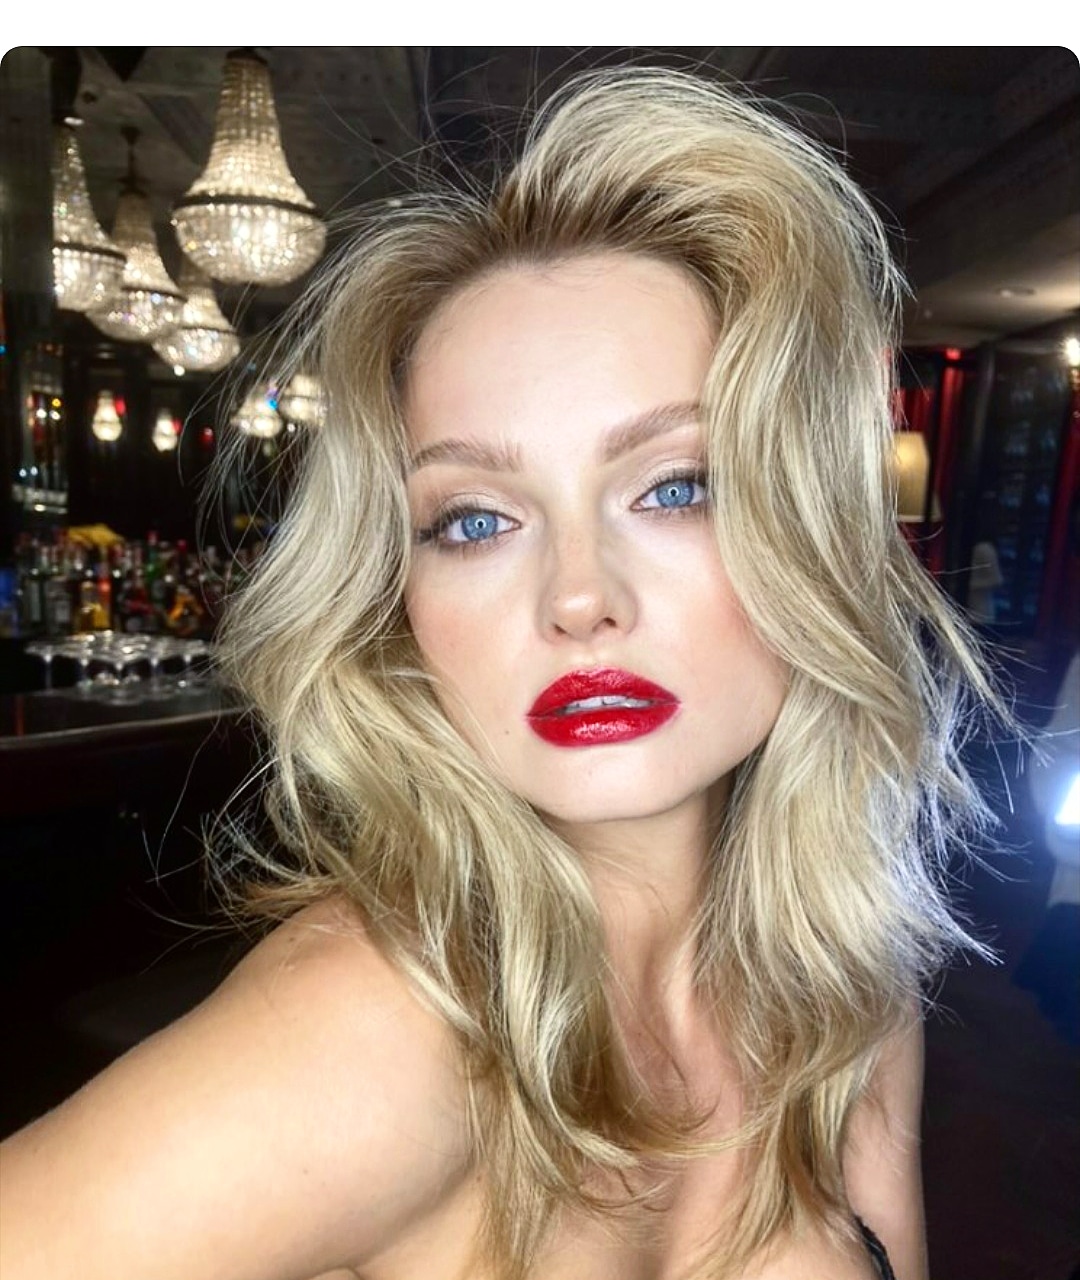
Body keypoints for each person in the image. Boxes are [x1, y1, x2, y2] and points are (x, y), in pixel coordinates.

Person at [1, 68, 1003, 1280]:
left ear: (811, 530)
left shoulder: (848, 973)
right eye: (475, 519)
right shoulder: (377, 1032)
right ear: (396, 597)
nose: (578, 594)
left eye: (676, 486)